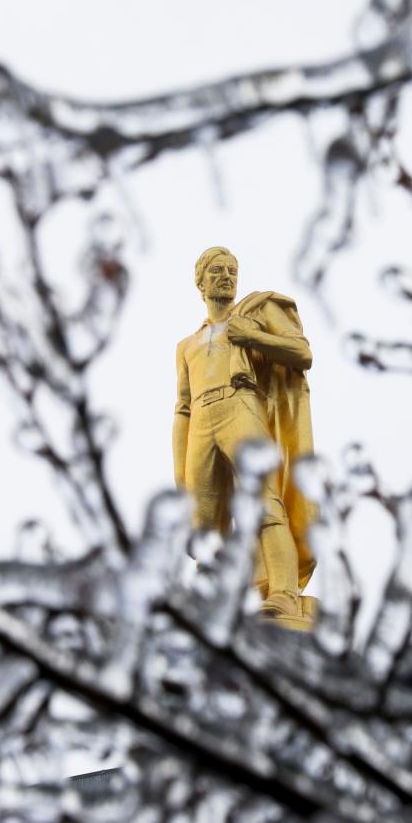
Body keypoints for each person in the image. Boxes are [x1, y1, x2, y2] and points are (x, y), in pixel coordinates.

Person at [172, 246, 317, 628]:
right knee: (204, 524)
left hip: (242, 404)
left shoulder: (253, 315)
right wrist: (179, 471)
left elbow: (302, 353)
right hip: (202, 418)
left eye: (231, 270)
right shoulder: (186, 346)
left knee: (263, 502)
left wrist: (253, 338)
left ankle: (283, 592)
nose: (226, 276)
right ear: (201, 283)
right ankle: (211, 600)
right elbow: (182, 409)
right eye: (216, 271)